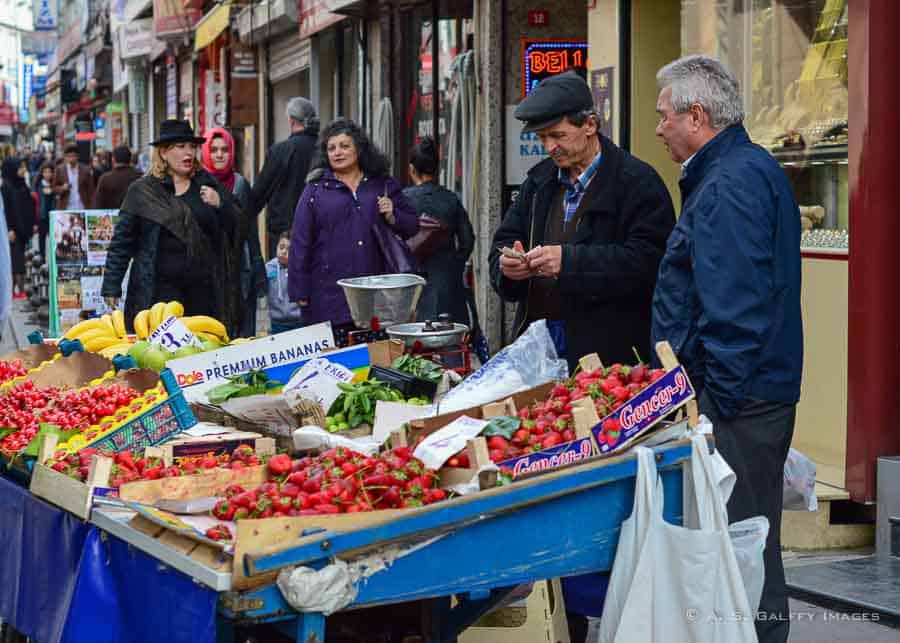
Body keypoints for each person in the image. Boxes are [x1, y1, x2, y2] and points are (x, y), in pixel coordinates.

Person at [488, 72, 675, 642]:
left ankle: (609, 610)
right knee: (547, 480)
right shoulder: (541, 182)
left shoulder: (638, 184)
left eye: (556, 135)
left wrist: (570, 262)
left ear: (590, 125)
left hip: (612, 361)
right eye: (542, 138)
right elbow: (507, 238)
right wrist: (509, 266)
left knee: (599, 492)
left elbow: (648, 264)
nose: (549, 148)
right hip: (546, 353)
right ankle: (558, 614)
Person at [650, 55, 802, 643]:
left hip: (739, 403)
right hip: (750, 395)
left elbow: (735, 308)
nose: (659, 127)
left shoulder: (730, 183)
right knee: (750, 541)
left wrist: (714, 405)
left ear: (696, 114)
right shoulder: (742, 170)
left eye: (665, 115)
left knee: (742, 545)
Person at [101, 120, 246, 332]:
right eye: (180, 146)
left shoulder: (206, 183)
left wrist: (220, 204)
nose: (188, 153)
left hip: (203, 293)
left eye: (191, 146)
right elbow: (122, 241)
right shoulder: (142, 191)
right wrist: (112, 285)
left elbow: (238, 224)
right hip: (158, 292)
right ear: (163, 153)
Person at [288, 118, 418, 335]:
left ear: (359, 149)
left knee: (375, 361)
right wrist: (299, 290)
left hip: (376, 295)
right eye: (331, 148)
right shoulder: (315, 190)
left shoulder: (381, 184)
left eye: (344, 146)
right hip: (329, 295)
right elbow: (300, 242)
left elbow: (412, 225)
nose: (337, 152)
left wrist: (393, 215)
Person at [200, 127, 266, 338]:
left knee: (241, 333)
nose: (219, 155)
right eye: (214, 149)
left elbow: (249, 229)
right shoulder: (197, 183)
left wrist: (257, 266)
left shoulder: (240, 184)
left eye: (225, 150)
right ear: (206, 152)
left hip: (239, 268)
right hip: (209, 270)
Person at [403, 136, 475, 324]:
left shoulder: (403, 200)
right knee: (449, 339)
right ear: (437, 170)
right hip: (447, 281)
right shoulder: (450, 199)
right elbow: (467, 240)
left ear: (411, 170)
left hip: (411, 282)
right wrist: (455, 264)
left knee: (414, 343)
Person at [247, 97, 319, 258]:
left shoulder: (280, 151)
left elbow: (258, 194)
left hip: (284, 235)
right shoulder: (326, 149)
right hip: (319, 230)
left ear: (291, 121)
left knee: (284, 280)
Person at [2, 159, 35, 300]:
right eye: (20, 168)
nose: (23, 170)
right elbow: (7, 211)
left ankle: (18, 290)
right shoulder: (6, 187)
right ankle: (13, 291)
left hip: (22, 230)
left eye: (24, 167)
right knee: (15, 262)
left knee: (19, 260)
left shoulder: (21, 184)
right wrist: (9, 229)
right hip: (12, 231)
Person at [266, 233, 303, 334]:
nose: (284, 252)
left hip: (299, 320)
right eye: (281, 247)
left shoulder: (299, 267)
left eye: (289, 249)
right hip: (277, 322)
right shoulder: (269, 268)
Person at [53, 144, 95, 210]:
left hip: (82, 206)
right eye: (69, 156)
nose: (71, 159)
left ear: (77, 157)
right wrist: (62, 188)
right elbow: (54, 188)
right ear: (65, 157)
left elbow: (90, 189)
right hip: (66, 206)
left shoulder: (85, 169)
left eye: (73, 156)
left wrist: (91, 206)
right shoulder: (60, 169)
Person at [34, 161, 56, 259]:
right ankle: (41, 259)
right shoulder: (38, 185)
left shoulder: (55, 185)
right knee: (41, 239)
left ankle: (54, 259)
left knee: (53, 239)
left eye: (50, 172)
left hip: (52, 216)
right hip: (42, 216)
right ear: (42, 173)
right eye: (45, 172)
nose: (48, 174)